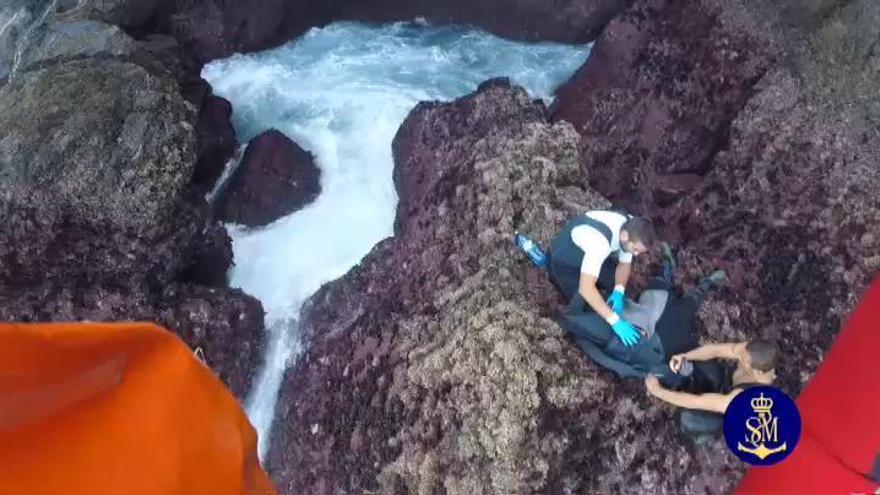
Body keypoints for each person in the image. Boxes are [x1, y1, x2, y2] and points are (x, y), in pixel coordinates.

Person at [558, 243, 727, 380]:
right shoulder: (598, 334)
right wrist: (679, 367)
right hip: (659, 345)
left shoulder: (605, 313)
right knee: (683, 309)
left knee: (659, 296)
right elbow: (683, 371)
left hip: (643, 319)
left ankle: (671, 270)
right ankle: (702, 285)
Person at [544, 210, 657, 347]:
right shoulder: (599, 245)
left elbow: (624, 264)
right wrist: (614, 320)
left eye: (639, 251)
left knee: (613, 282)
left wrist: (619, 291)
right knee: (585, 306)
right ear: (624, 236)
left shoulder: (631, 226)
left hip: (590, 256)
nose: (636, 254)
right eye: (635, 250)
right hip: (565, 262)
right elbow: (586, 289)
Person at [645, 339, 780, 437]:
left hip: (724, 412)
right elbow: (715, 350)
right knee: (700, 362)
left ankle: (703, 437)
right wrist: (684, 356)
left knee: (686, 419)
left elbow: (696, 401)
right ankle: (697, 383)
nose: (738, 356)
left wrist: (658, 391)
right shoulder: (748, 351)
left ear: (757, 373)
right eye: (741, 353)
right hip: (728, 383)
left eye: (743, 361)